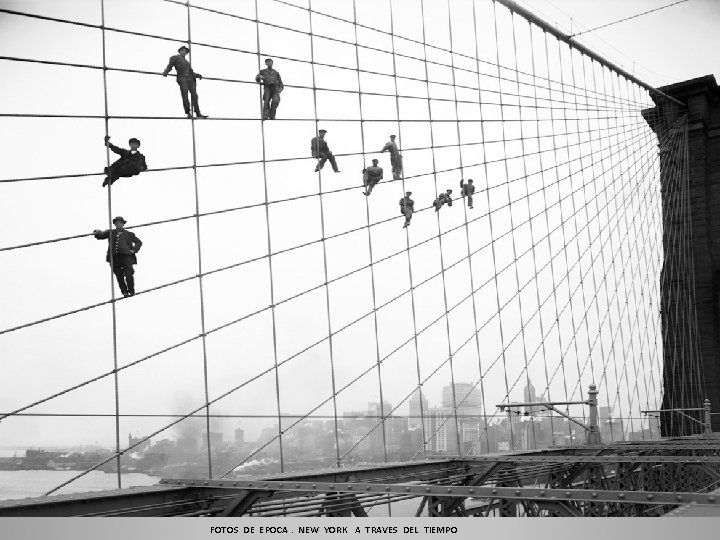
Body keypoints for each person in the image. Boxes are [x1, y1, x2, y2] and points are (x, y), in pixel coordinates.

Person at [93, 217, 142, 298]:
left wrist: (133, 250)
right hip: (114, 257)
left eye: (120, 222)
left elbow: (139, 242)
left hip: (126, 257)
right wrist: (97, 232)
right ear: (115, 224)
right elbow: (101, 235)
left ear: (123, 224)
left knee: (129, 274)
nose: (119, 224)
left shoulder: (129, 234)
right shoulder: (110, 232)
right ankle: (124, 292)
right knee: (119, 276)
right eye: (117, 223)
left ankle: (131, 290)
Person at [162, 46, 208, 119]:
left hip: (191, 80)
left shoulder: (187, 62)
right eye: (182, 50)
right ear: (179, 51)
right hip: (183, 78)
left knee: (195, 96)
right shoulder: (175, 57)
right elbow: (170, 66)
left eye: (185, 51)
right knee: (185, 95)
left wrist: (197, 75)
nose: (184, 52)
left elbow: (191, 72)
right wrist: (166, 71)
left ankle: (198, 113)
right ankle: (188, 113)